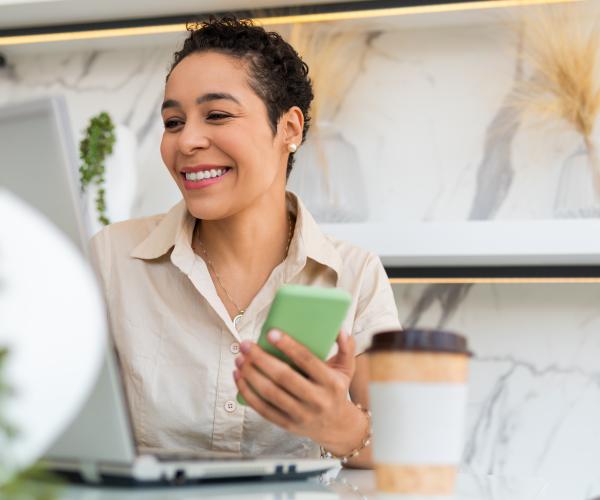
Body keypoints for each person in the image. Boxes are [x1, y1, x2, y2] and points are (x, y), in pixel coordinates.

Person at [91, 16, 400, 469]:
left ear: (289, 129)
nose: (188, 141)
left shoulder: (355, 275)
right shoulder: (112, 259)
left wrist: (340, 424)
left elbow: (403, 453)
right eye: (173, 121)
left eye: (217, 115)